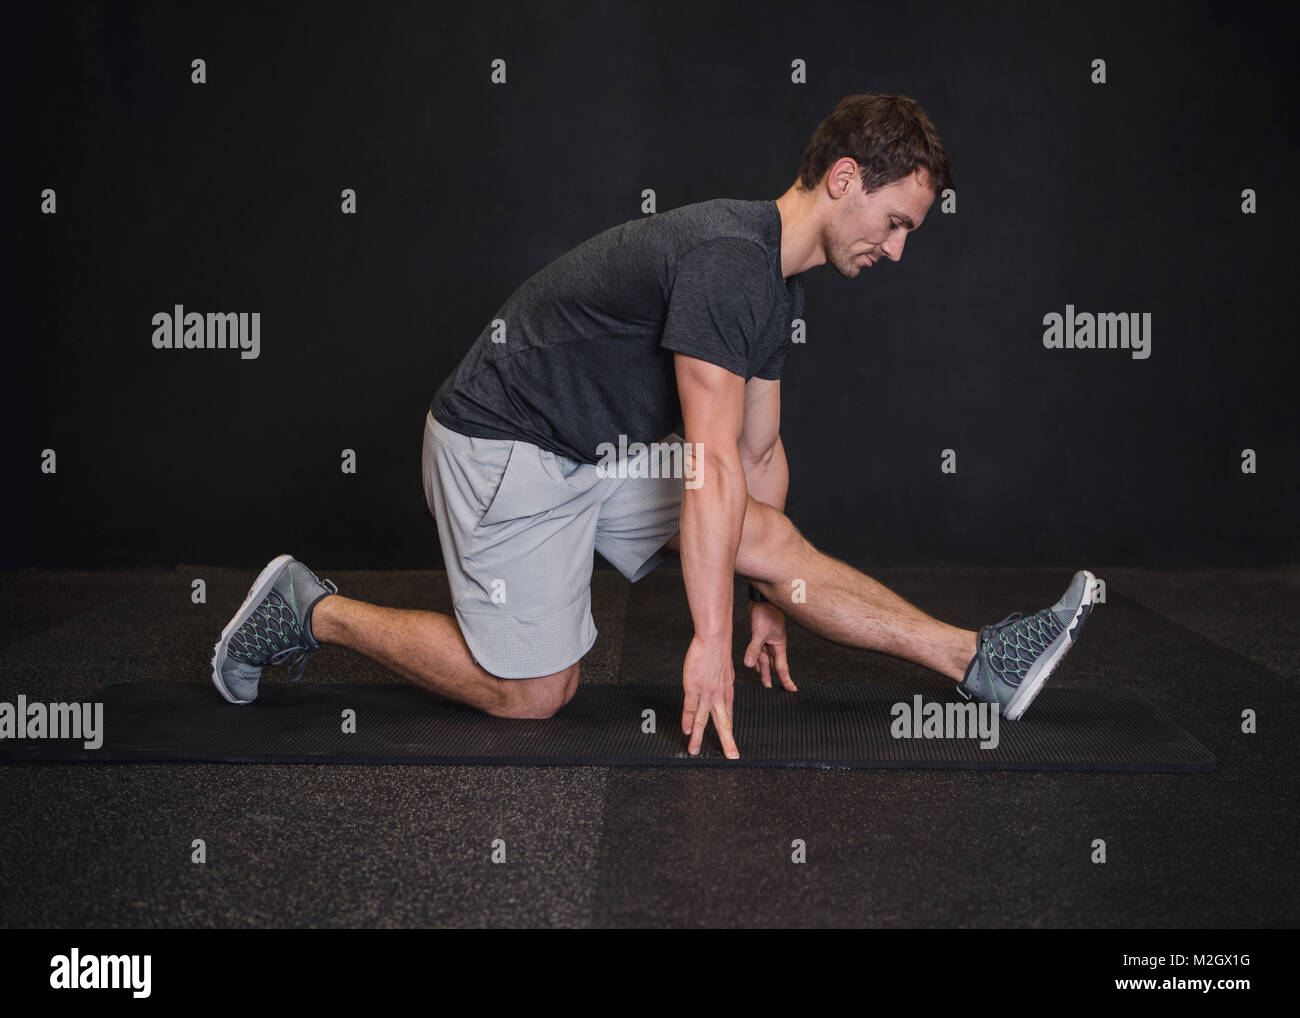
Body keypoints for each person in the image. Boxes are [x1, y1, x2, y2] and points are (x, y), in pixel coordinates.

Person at [211, 94, 1097, 759]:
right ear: (843, 181)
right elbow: (710, 464)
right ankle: (310, 610)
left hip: (592, 451)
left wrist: (764, 603)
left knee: (769, 538)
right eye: (896, 223)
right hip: (501, 446)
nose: (897, 249)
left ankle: (980, 660)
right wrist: (709, 643)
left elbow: (758, 452)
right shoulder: (727, 265)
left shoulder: (773, 285)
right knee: (536, 694)